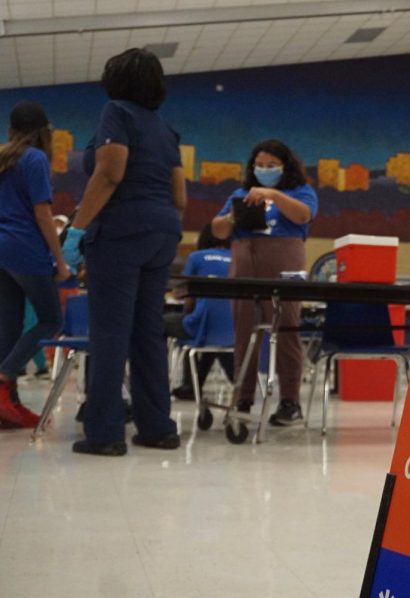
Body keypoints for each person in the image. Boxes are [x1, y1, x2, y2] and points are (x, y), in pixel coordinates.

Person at [61, 48, 186, 456]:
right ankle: (158, 428)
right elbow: (180, 197)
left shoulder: (117, 112)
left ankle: (104, 433)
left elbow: (110, 172)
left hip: (121, 232)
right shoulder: (166, 130)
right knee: (147, 330)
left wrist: (78, 229)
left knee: (110, 331)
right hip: (163, 232)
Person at [211, 139, 317, 426]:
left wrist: (272, 194)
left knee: (285, 331)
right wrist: (234, 215)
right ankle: (243, 396)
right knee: (244, 332)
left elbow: (303, 215)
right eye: (259, 165)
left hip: (283, 263)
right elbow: (217, 229)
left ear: (285, 167)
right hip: (245, 263)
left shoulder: (300, 192)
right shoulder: (241, 193)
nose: (264, 170)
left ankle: (289, 401)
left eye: (271, 166)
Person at [0, 101, 67, 428]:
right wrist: (59, 259)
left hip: (1, 249)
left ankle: (6, 405)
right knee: (51, 318)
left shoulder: (2, 158)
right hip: (25, 247)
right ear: (44, 132)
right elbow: (42, 213)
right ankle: (3, 380)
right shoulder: (36, 158)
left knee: (9, 327)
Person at [166, 223, 234, 400]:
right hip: (235, 330)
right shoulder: (240, 258)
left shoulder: (197, 257)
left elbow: (188, 298)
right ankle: (193, 385)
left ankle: (157, 383)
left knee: (159, 323)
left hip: (204, 326)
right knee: (210, 330)